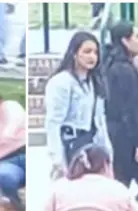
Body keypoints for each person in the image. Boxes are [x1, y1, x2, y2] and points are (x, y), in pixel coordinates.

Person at [44, 31, 111, 178]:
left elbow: (100, 119)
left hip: (91, 142)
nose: (92, 56)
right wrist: (57, 159)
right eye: (87, 52)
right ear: (74, 53)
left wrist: (107, 149)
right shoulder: (62, 82)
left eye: (95, 52)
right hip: (70, 142)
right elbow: (53, 121)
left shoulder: (94, 82)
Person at [103, 21, 138, 207]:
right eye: (137, 37)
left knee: (122, 184)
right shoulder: (123, 70)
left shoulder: (113, 65)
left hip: (118, 135)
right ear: (125, 41)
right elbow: (132, 109)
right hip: (127, 138)